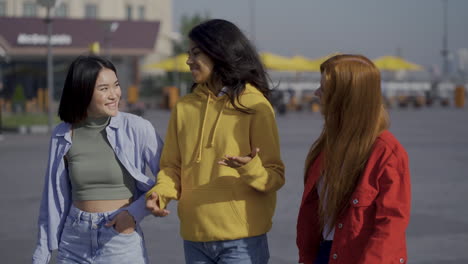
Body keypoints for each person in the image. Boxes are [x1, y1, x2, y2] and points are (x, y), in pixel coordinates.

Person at [145, 19, 285, 264]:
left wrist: (249, 168)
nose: (189, 60)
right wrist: (161, 194)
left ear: (219, 53)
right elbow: (171, 167)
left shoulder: (255, 106)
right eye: (189, 53)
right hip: (194, 237)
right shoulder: (185, 107)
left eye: (196, 53)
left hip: (242, 241)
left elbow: (274, 176)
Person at [32, 55, 163, 264]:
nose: (114, 95)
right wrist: (42, 252)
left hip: (119, 238)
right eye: (104, 89)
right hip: (73, 239)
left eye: (116, 85)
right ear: (82, 92)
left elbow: (169, 176)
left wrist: (134, 214)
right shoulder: (63, 133)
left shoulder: (137, 128)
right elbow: (52, 198)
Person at [296, 54, 411, 264]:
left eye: (323, 88)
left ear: (345, 97)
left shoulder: (387, 153)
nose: (316, 93)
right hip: (325, 254)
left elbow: (390, 227)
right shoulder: (328, 144)